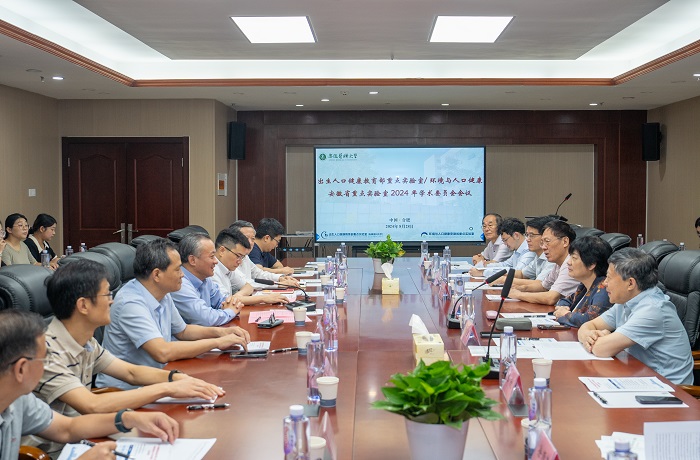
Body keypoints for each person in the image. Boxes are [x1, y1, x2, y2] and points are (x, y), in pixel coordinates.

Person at [35, 259, 224, 419]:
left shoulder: (86, 342)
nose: (112, 301)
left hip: (87, 433)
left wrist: (176, 378)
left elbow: (130, 373)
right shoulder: (47, 352)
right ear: (83, 305)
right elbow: (92, 405)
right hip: (57, 447)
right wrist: (167, 388)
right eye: (107, 294)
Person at [0, 309, 178, 460]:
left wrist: (129, 419)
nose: (47, 364)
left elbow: (67, 428)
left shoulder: (20, 399)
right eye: (44, 358)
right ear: (21, 369)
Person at [97, 238, 250, 390]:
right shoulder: (130, 303)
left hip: (160, 376)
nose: (182, 275)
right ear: (157, 275)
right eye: (177, 269)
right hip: (125, 390)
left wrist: (221, 332)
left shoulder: (162, 292)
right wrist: (216, 342)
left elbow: (183, 331)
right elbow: (162, 352)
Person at [578, 248, 693, 385]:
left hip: (667, 389)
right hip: (638, 376)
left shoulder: (653, 310)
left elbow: (601, 349)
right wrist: (589, 335)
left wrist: (603, 337)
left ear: (630, 283)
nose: (604, 283)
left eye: (609, 277)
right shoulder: (626, 300)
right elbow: (588, 326)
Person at [170, 233, 244, 326]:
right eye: (212, 256)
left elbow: (222, 302)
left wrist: (232, 306)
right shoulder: (179, 284)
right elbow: (205, 319)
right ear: (192, 260)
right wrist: (230, 312)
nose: (216, 261)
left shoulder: (205, 278)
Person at [508, 219, 579, 305]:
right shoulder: (559, 263)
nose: (543, 247)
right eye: (542, 242)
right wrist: (522, 288)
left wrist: (518, 295)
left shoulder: (571, 263)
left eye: (547, 241)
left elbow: (551, 298)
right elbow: (543, 286)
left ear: (565, 241)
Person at [211, 228, 290, 305]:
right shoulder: (212, 270)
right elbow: (226, 301)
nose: (240, 261)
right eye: (238, 256)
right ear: (222, 251)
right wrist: (263, 298)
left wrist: (236, 297)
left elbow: (248, 286)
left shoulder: (227, 268)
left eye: (242, 257)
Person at [553, 236, 613, 327]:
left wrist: (565, 314)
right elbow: (566, 300)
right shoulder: (584, 285)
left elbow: (590, 320)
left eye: (574, 258)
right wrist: (562, 308)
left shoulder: (604, 289)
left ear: (591, 264)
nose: (568, 262)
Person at [229, 220, 300, 290]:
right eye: (246, 238)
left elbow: (258, 274)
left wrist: (280, 278)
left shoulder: (245, 257)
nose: (250, 242)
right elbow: (245, 283)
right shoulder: (230, 259)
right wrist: (278, 284)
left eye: (252, 239)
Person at [470, 217, 535, 277]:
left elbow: (517, 272)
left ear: (516, 235)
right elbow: (505, 265)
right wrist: (486, 266)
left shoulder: (529, 250)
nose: (505, 244)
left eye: (505, 240)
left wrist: (483, 273)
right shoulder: (517, 250)